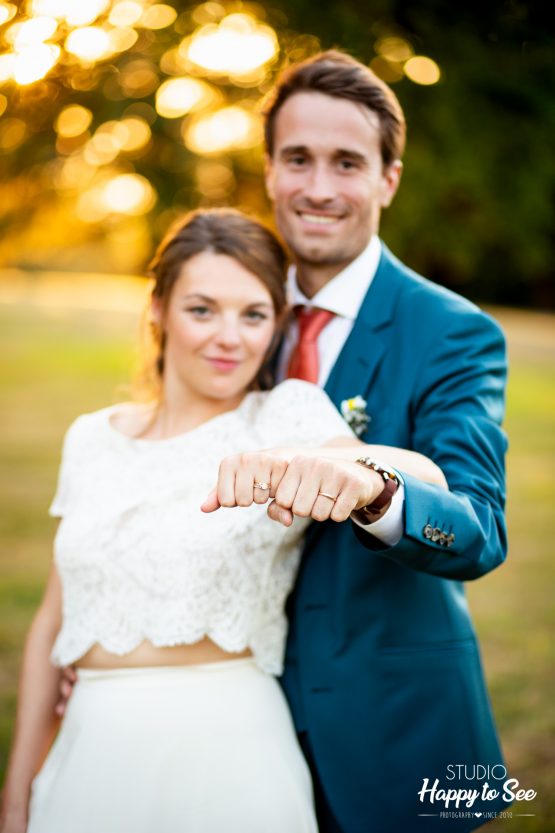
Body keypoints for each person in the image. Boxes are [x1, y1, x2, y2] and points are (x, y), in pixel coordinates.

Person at [0, 208, 446, 833]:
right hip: (89, 749)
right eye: (202, 309)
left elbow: (426, 478)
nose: (229, 337)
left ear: (277, 325)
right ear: (158, 309)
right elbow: (54, 618)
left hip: (225, 749)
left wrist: (333, 467)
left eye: (253, 314)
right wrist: (18, 790)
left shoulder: (284, 417)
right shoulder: (91, 438)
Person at [211, 51, 509, 833]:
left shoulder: (451, 331)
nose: (317, 187)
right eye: (297, 159)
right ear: (269, 171)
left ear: (387, 179)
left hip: (395, 733)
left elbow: (479, 528)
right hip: (239, 731)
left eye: (346, 162)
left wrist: (379, 495)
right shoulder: (236, 313)